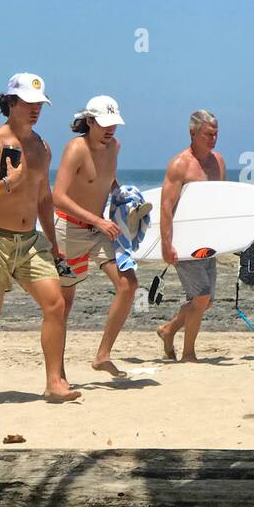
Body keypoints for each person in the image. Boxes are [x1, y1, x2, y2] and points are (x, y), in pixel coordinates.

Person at [0, 72, 80, 403]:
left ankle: (55, 383)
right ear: (11, 103)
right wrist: (6, 183)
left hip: (29, 242)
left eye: (39, 104)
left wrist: (55, 245)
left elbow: (43, 198)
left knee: (55, 304)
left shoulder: (41, 147)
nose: (35, 109)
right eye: (28, 103)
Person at [53, 96, 146, 379]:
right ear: (89, 122)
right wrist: (97, 220)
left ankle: (102, 355)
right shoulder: (75, 149)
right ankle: (58, 371)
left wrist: (126, 199)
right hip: (68, 231)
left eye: (114, 124)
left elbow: (107, 180)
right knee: (64, 303)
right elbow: (58, 197)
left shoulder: (115, 147)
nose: (110, 130)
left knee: (128, 284)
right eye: (104, 124)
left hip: (100, 230)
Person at [156, 110, 225, 363]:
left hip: (209, 242)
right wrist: (166, 244)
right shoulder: (180, 165)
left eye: (216, 133)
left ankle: (168, 330)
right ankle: (188, 354)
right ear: (192, 133)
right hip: (185, 242)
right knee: (201, 296)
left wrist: (227, 238)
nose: (214, 138)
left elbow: (221, 202)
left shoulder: (218, 161)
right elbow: (166, 206)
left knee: (205, 302)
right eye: (208, 134)